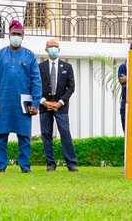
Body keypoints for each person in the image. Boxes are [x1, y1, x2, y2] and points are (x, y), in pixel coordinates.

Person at [0, 19, 42, 173]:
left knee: (24, 136)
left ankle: (25, 166)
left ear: (23, 36)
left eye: (19, 34)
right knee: (1, 135)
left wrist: (36, 103)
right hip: (3, 101)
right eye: (14, 34)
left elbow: (36, 81)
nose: (16, 36)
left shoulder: (29, 56)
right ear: (9, 35)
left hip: (23, 103)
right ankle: (1, 165)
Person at [39, 39, 78, 172]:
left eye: (56, 46)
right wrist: (43, 101)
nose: (53, 49)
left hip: (61, 107)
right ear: (46, 49)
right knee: (46, 134)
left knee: (65, 133)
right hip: (44, 106)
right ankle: (50, 164)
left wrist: (60, 102)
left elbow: (71, 88)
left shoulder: (67, 67)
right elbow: (35, 86)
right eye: (51, 46)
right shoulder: (40, 67)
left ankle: (71, 163)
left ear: (59, 49)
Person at [117, 41, 132, 132]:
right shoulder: (123, 66)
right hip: (126, 103)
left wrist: (128, 79)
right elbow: (122, 80)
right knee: (127, 133)